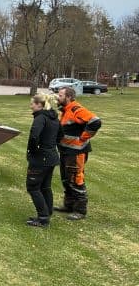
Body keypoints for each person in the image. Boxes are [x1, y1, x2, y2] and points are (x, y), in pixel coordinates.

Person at [54, 86, 102, 220]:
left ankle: (80, 210)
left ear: (68, 97)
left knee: (76, 178)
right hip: (65, 150)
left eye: (61, 95)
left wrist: (83, 137)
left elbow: (95, 121)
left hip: (76, 152)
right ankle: (68, 205)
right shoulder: (65, 110)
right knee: (66, 178)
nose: (58, 97)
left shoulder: (77, 109)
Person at [26, 93, 62, 227]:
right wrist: (50, 146)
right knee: (45, 186)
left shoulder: (40, 118)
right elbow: (60, 135)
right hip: (51, 157)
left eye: (32, 104)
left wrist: (34, 151)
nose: (31, 106)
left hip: (41, 158)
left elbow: (34, 136)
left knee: (33, 187)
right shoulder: (54, 118)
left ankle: (43, 218)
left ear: (39, 105)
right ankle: (47, 212)